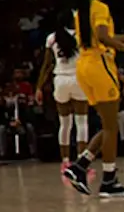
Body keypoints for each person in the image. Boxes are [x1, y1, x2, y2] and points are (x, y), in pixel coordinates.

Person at [65, 0, 124, 196]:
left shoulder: (81, 10)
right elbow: (103, 38)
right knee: (112, 126)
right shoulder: (101, 7)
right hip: (100, 64)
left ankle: (79, 166)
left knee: (107, 124)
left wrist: (122, 38)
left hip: (84, 66)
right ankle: (109, 182)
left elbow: (98, 37)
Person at [37, 10, 90, 169]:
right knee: (81, 122)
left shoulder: (51, 38)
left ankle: (65, 162)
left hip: (60, 80)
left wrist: (39, 87)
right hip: (78, 79)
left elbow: (47, 65)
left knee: (64, 124)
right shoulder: (82, 36)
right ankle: (81, 162)